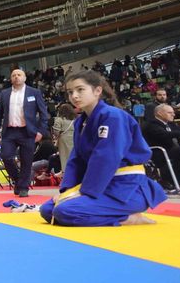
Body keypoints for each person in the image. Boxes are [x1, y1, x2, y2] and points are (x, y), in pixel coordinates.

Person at [39, 70, 167, 226]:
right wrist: (66, 191)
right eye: (70, 92)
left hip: (125, 188)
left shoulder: (113, 116)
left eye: (80, 89)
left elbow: (106, 157)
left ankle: (128, 217)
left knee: (64, 211)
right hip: (101, 185)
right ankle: (110, 211)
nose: (74, 96)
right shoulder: (81, 122)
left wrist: (83, 191)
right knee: (47, 209)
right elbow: (76, 159)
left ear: (97, 90)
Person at [0, 69, 49, 197]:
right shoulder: (5, 94)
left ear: (25, 78)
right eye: (14, 75)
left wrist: (41, 131)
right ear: (11, 79)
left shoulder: (34, 92)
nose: (16, 77)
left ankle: (23, 188)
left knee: (26, 161)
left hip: (28, 132)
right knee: (6, 156)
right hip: (9, 131)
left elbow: (44, 114)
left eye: (19, 75)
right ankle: (18, 180)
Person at [142, 104, 180, 191]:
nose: (173, 115)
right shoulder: (151, 124)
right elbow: (164, 135)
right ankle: (176, 182)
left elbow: (179, 132)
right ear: (159, 113)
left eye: (173, 112)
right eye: (170, 113)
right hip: (158, 152)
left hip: (171, 151)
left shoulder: (170, 124)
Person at [52, 103, 77, 174]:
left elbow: (56, 131)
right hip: (74, 138)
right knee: (73, 156)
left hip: (63, 139)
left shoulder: (59, 119)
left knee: (64, 157)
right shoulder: (75, 119)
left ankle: (65, 172)